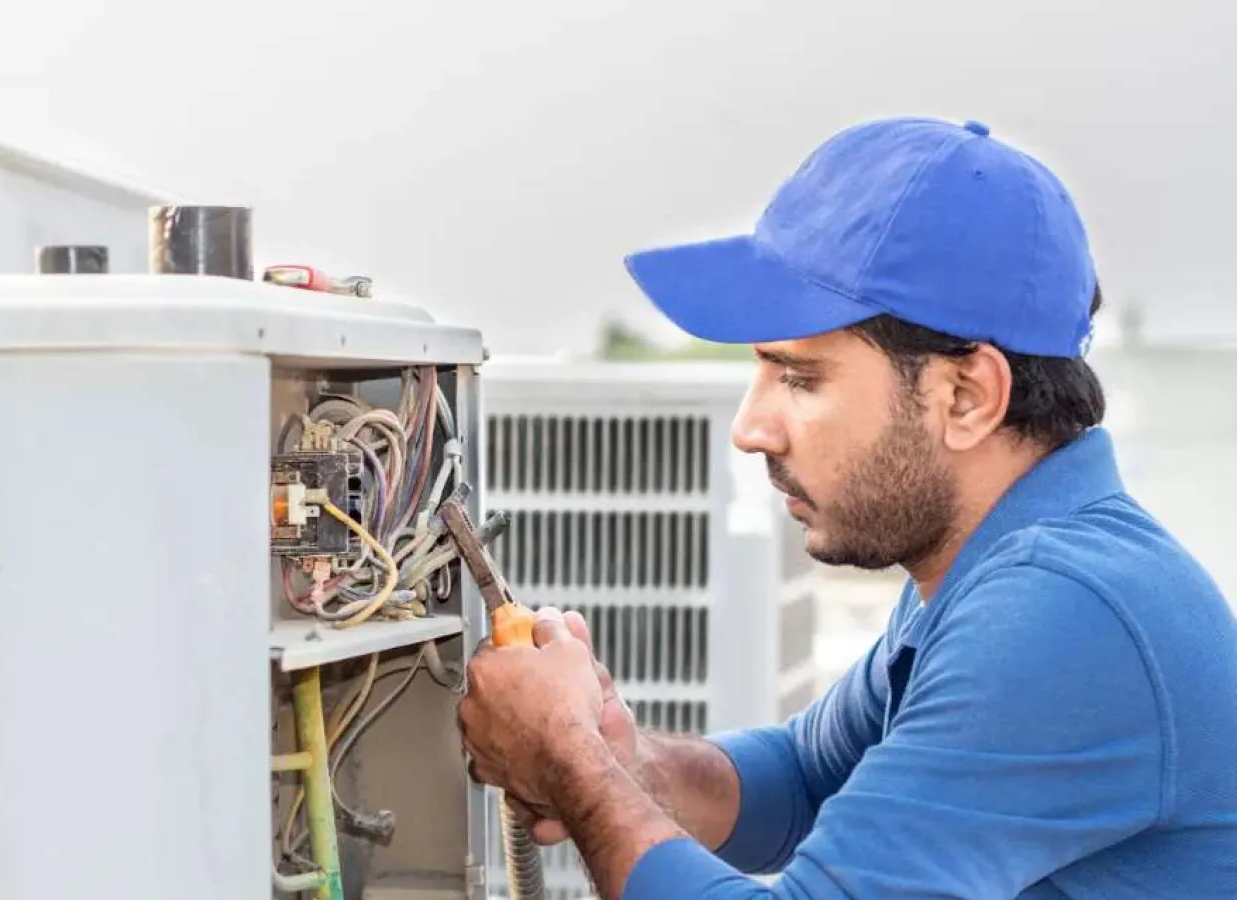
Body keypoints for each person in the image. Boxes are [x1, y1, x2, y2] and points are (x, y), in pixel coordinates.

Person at [458, 116, 1237, 898]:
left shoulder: (1063, 608)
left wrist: (568, 759)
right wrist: (626, 762)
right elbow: (804, 781)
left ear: (967, 396)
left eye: (799, 378)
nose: (749, 428)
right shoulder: (985, 564)